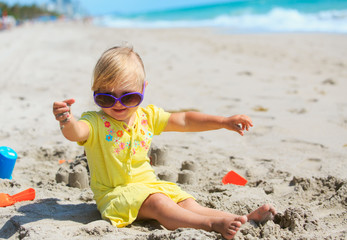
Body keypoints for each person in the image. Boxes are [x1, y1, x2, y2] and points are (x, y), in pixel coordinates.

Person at [53, 46, 276, 239]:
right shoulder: (95, 121)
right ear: (95, 93)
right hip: (115, 195)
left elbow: (186, 120)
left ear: (143, 89)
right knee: (159, 203)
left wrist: (223, 121)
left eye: (129, 97)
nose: (118, 104)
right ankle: (210, 225)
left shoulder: (146, 117)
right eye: (106, 97)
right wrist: (66, 120)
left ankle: (241, 218)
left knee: (188, 204)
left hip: (151, 186)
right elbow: (75, 132)